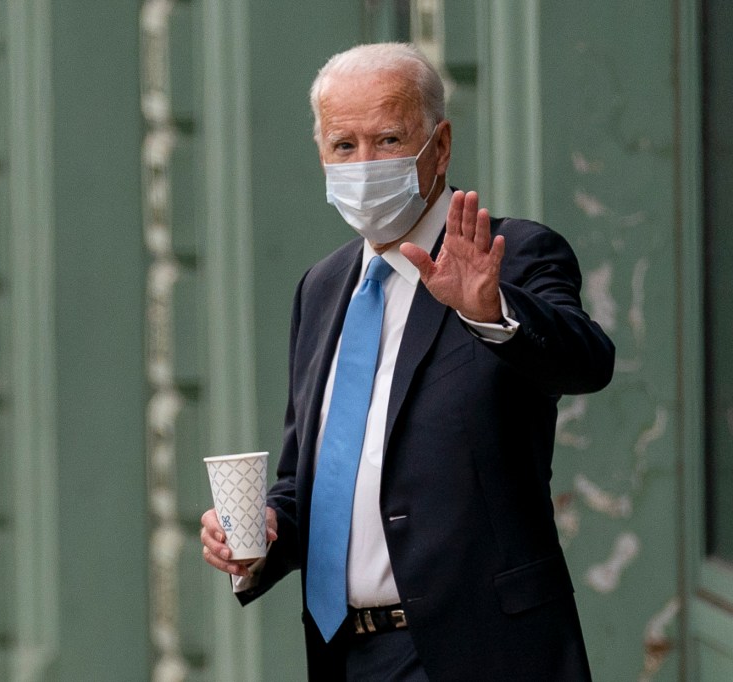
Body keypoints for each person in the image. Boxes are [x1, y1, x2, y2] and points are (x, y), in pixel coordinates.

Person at [201, 42, 614, 681]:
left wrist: (489, 309)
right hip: (346, 655)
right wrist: (263, 532)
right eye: (343, 145)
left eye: (389, 140)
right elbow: (311, 478)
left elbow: (586, 362)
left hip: (482, 654)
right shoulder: (321, 287)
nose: (364, 164)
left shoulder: (509, 255)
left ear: (440, 147)